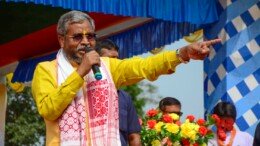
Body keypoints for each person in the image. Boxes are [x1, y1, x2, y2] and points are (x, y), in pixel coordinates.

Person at [31, 10, 221, 146]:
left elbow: (143, 66)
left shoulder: (107, 66)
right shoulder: (46, 70)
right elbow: (49, 110)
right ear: (61, 39)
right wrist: (80, 72)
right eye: (77, 37)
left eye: (90, 36)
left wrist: (182, 53)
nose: (86, 42)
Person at [95, 39, 141, 146]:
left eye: (117, 59)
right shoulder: (83, 92)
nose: (115, 63)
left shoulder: (125, 98)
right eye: (111, 59)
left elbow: (134, 137)